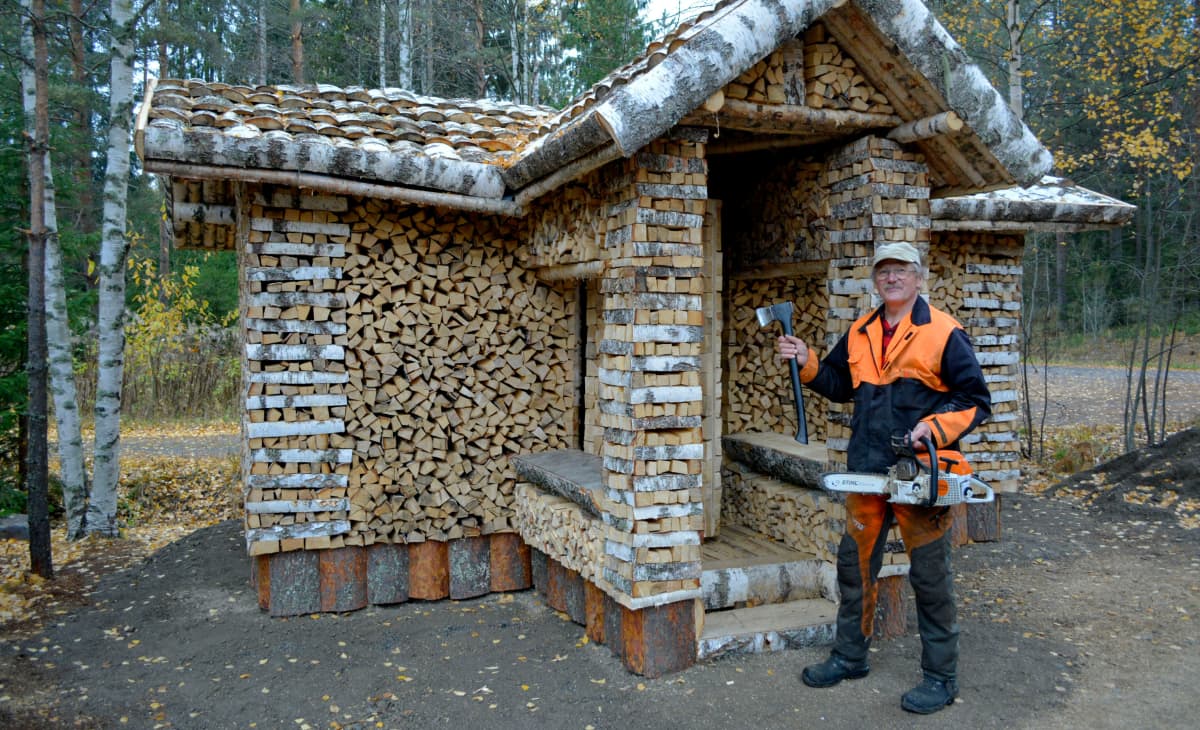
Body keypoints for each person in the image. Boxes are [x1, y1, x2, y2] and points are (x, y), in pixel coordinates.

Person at [775, 241, 991, 714]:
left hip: (920, 474)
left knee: (930, 578)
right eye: (884, 272)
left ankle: (941, 677)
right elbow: (836, 385)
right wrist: (806, 358)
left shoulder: (943, 332)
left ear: (918, 278)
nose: (891, 279)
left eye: (901, 271)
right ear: (877, 281)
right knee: (854, 571)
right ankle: (850, 657)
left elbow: (976, 400)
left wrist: (931, 430)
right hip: (867, 473)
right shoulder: (861, 331)